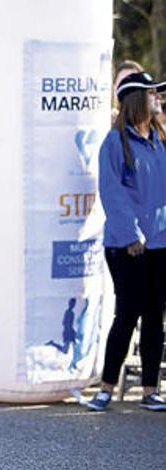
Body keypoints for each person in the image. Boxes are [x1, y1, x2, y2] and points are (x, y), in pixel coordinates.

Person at [85, 71, 166, 412]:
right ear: (136, 101)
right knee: (127, 313)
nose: (159, 99)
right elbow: (112, 192)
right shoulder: (114, 142)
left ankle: (150, 390)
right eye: (153, 95)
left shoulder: (159, 139)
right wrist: (132, 234)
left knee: (154, 316)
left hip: (161, 244)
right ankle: (105, 388)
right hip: (126, 245)